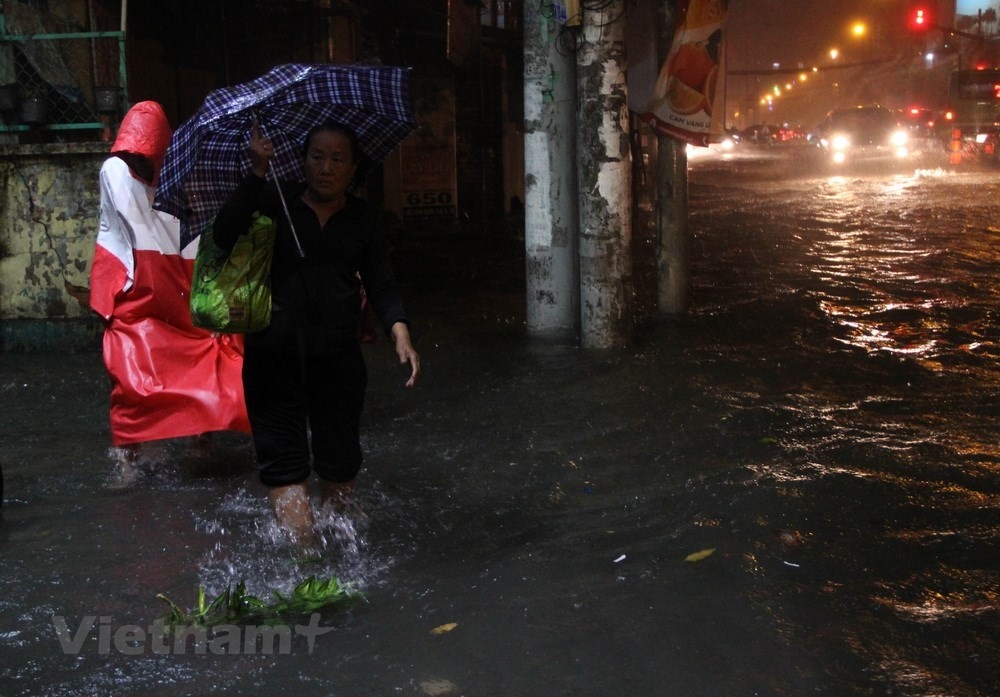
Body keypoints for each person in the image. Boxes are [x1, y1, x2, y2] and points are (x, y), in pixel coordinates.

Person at [213, 121, 420, 546]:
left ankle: (340, 550)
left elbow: (381, 282)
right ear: (303, 160)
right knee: (284, 461)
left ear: (353, 167)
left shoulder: (362, 218)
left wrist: (399, 330)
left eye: (337, 159)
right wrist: (256, 172)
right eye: (317, 156)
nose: (326, 167)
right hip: (273, 358)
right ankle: (305, 561)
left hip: (338, 361)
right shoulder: (276, 200)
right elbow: (223, 233)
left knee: (340, 462)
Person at [89, 101, 250, 480]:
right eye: (134, 157)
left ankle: (201, 443)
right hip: (141, 287)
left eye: (146, 157)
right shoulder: (115, 172)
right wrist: (107, 293)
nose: (139, 166)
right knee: (129, 378)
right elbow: (113, 232)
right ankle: (130, 458)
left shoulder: (187, 172)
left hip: (180, 283)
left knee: (211, 364)